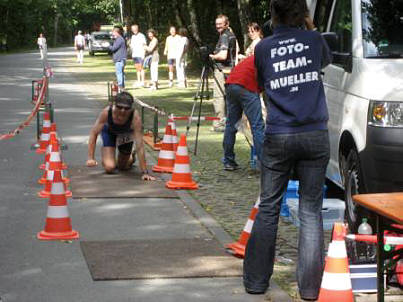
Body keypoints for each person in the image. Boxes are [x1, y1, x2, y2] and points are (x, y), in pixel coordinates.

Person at [243, 0, 332, 300]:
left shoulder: (264, 49)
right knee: (310, 211)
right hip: (314, 133)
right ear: (303, 15)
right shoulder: (315, 39)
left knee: (268, 206)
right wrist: (308, 27)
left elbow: (262, 83)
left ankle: (256, 282)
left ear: (272, 17)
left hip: (280, 134)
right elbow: (324, 62)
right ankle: (309, 288)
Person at [86, 91, 156, 181]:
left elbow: (140, 146)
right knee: (109, 167)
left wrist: (145, 172)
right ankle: (108, 155)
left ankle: (130, 157)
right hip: (109, 133)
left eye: (126, 108)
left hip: (125, 134)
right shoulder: (107, 112)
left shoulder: (135, 117)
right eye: (120, 107)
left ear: (131, 108)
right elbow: (94, 133)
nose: (123, 111)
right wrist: (91, 158)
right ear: (114, 104)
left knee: (123, 167)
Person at [223, 55, 264, 171]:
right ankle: (265, 165)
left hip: (231, 84)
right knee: (257, 126)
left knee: (231, 125)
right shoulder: (267, 60)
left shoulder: (253, 58)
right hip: (247, 86)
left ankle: (228, 161)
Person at [209, 14, 237, 132]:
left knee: (219, 96)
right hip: (230, 69)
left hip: (222, 69)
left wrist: (212, 56)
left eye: (220, 24)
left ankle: (219, 123)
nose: (218, 26)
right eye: (216, 24)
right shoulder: (231, 35)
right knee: (230, 97)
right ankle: (233, 121)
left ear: (227, 24)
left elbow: (223, 55)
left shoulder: (225, 36)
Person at [109, 25, 127, 90]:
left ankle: (120, 86)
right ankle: (122, 86)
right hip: (121, 59)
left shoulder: (119, 39)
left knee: (119, 73)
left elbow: (113, 48)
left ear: (116, 32)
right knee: (121, 73)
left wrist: (108, 46)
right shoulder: (119, 39)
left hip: (120, 59)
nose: (112, 33)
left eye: (113, 32)